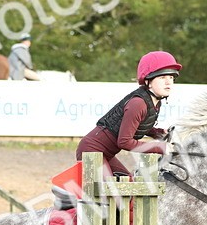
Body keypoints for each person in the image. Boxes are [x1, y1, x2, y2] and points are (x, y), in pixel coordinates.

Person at [75, 50, 179, 178]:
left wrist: (158, 132)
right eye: (162, 77)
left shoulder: (155, 102)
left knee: (129, 183)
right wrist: (160, 148)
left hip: (105, 154)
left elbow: (136, 125)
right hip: (91, 151)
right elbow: (124, 142)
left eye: (171, 78)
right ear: (148, 81)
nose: (169, 82)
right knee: (114, 190)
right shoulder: (138, 103)